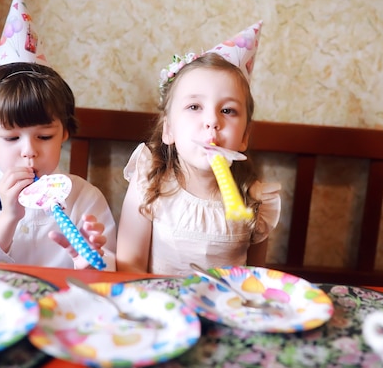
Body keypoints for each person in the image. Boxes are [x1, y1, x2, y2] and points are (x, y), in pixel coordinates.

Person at [0, 0, 116, 269]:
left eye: (45, 136)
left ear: (64, 133)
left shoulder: (84, 197)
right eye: (11, 137)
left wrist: (88, 258)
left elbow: (107, 273)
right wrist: (8, 216)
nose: (29, 152)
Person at [116, 21, 280, 276]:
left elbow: (254, 280)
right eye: (194, 107)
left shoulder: (256, 200)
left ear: (244, 136)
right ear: (168, 130)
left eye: (228, 110)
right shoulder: (150, 182)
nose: (213, 121)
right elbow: (129, 266)